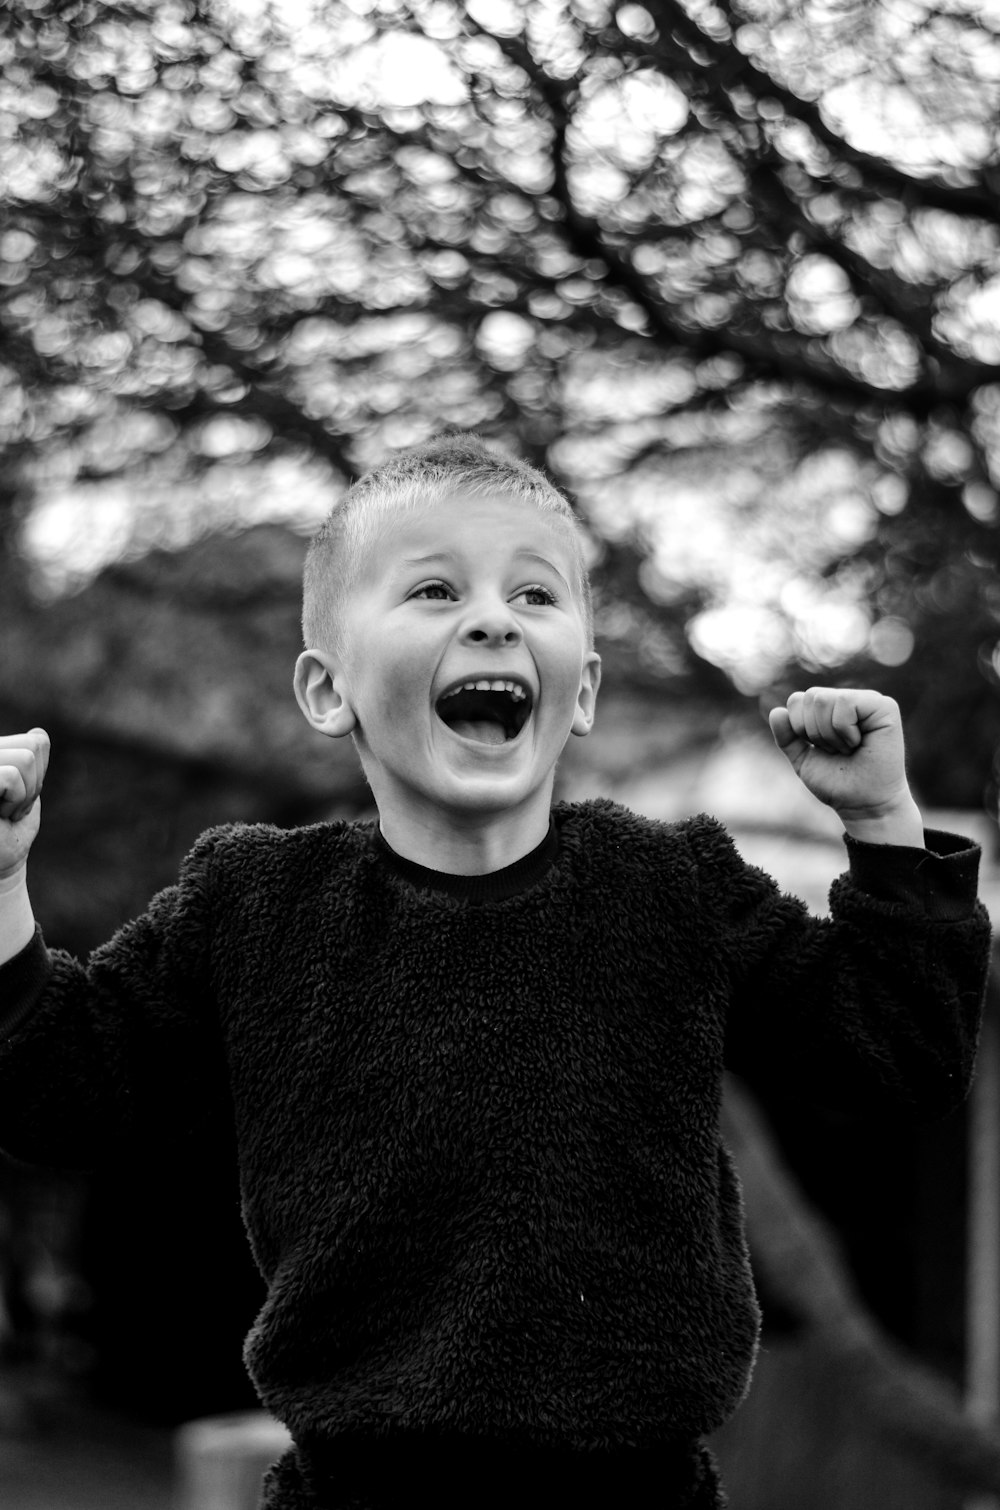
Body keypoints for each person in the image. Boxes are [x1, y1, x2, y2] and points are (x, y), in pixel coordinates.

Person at [0, 433, 991, 1510]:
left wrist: (884, 823)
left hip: (637, 1490)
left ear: (582, 692)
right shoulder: (253, 904)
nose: (492, 616)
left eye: (533, 592)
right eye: (433, 588)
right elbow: (58, 1091)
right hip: (356, 1489)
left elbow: (900, 1055)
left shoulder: (669, 885)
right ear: (328, 690)